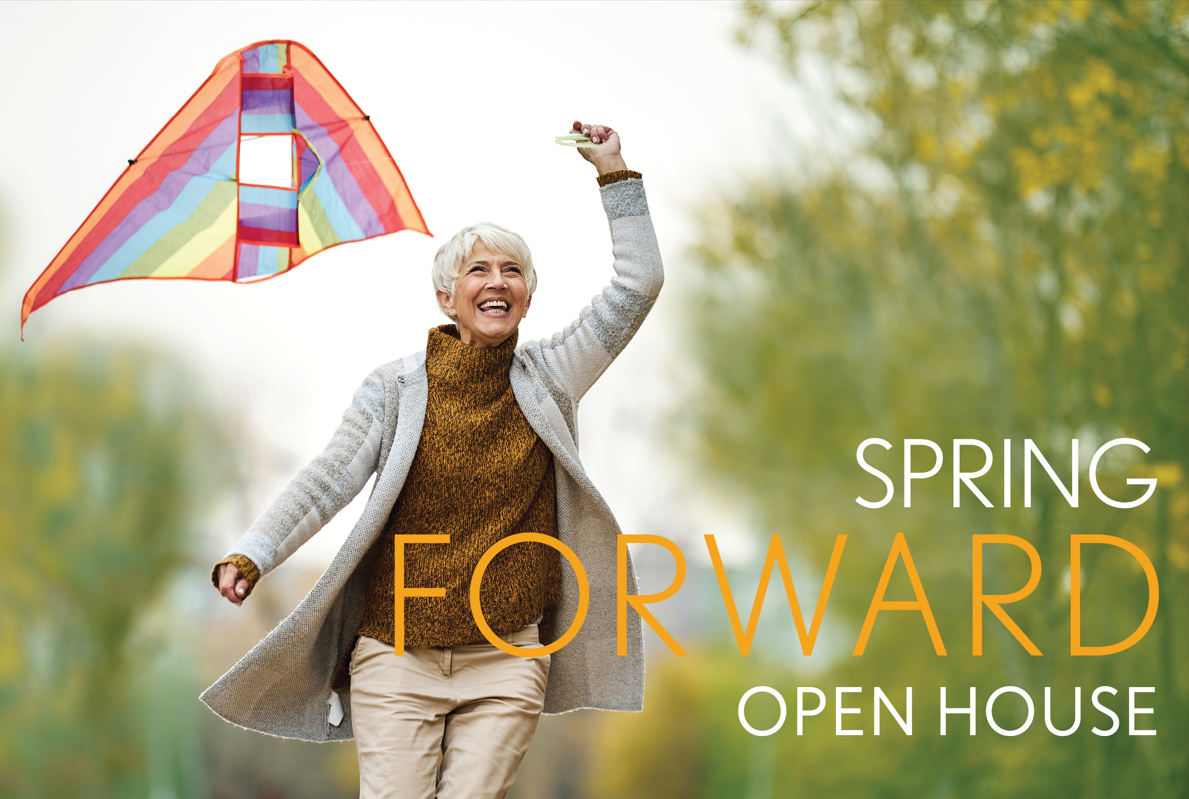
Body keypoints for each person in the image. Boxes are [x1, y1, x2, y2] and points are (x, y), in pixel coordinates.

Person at [204, 121, 662, 799]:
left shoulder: (552, 374)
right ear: (447, 297)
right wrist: (254, 551)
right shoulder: (395, 388)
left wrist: (613, 172)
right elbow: (329, 477)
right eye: (478, 269)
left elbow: (638, 285)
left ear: (527, 297)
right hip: (395, 654)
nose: (496, 281)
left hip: (507, 653)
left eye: (511, 271)